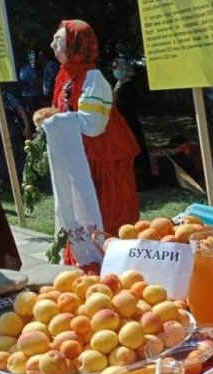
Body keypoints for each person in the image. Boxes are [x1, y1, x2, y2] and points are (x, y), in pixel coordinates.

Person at [38, 19, 140, 237]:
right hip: (82, 155)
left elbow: (92, 126)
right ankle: (86, 249)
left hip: (104, 156)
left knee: (107, 208)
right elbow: (61, 111)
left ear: (77, 47)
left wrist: (56, 121)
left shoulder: (93, 78)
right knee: (82, 208)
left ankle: (108, 251)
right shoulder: (66, 75)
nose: (52, 46)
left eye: (59, 42)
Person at [111, 57, 152, 189]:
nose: (114, 70)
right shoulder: (118, 84)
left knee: (135, 149)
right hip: (121, 123)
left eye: (116, 67)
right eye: (113, 67)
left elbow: (129, 105)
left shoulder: (129, 86)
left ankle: (141, 179)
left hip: (130, 123)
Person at [0, 85, 32, 191]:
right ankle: (5, 182)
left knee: (11, 155)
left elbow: (21, 111)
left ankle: (4, 182)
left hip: (10, 129)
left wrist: (27, 126)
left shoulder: (6, 96)